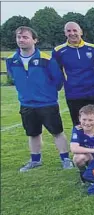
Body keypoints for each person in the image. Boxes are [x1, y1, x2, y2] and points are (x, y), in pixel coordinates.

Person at [6, 26, 72, 172]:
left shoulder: (46, 59)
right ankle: (35, 160)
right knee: (33, 133)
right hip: (26, 104)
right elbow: (12, 77)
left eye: (25, 37)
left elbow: (58, 80)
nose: (21, 40)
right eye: (19, 37)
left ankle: (65, 159)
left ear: (34, 40)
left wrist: (46, 93)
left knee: (57, 132)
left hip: (47, 103)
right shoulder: (11, 60)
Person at [52, 21, 94, 142]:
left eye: (75, 30)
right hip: (74, 95)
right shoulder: (58, 51)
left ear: (81, 31)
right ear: (65, 33)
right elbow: (57, 73)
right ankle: (84, 154)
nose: (72, 33)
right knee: (80, 126)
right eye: (69, 31)